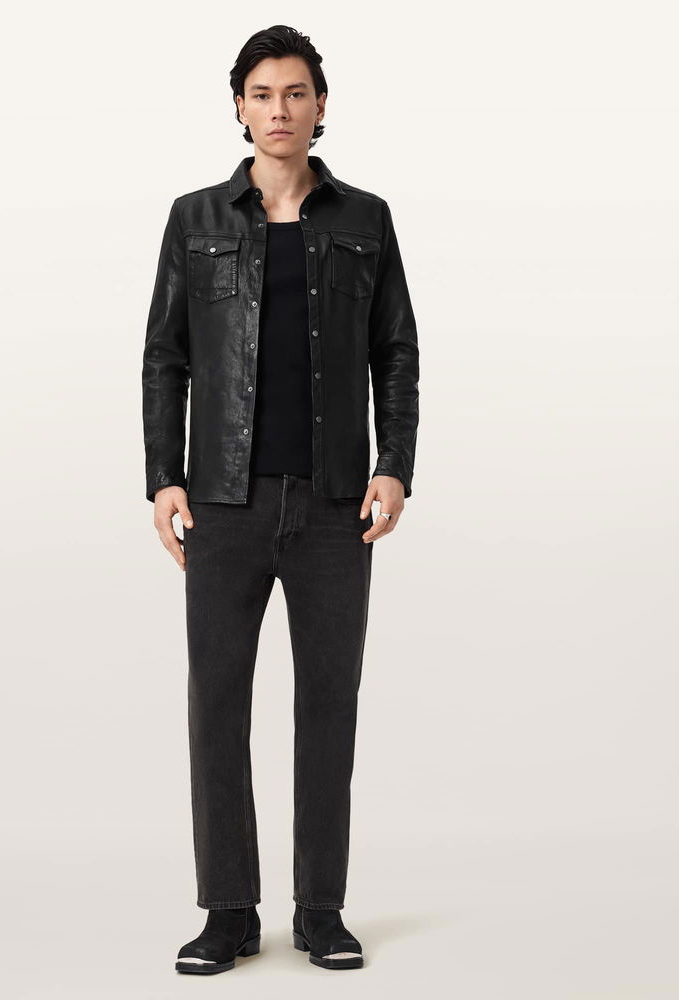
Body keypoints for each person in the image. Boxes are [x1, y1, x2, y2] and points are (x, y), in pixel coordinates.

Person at [142, 24, 420, 974]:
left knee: (328, 707)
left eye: (295, 93)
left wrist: (395, 464)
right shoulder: (195, 219)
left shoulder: (366, 219)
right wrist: (164, 476)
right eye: (261, 94)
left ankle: (320, 909)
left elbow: (396, 351)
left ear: (321, 105)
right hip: (223, 506)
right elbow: (166, 356)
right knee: (217, 706)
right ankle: (227, 911)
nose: (279, 110)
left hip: (338, 507)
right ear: (239, 107)